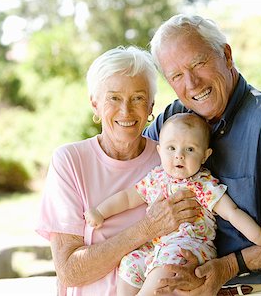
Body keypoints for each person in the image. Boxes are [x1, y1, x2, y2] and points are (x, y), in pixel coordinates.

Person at [142, 14, 261, 295]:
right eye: (176, 75)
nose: (192, 83)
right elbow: (123, 165)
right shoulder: (175, 120)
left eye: (198, 63)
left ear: (226, 54)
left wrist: (231, 266)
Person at [35, 46, 200, 296]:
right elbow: (69, 271)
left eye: (138, 98)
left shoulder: (172, 161)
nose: (126, 111)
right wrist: (148, 228)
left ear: (151, 106)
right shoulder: (70, 161)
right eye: (114, 98)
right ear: (95, 104)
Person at [85, 113, 261, 296]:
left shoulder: (203, 184)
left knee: (165, 270)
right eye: (171, 148)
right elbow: (127, 198)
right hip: (158, 248)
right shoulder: (156, 178)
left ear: (205, 156)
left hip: (189, 247)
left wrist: (257, 235)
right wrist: (100, 212)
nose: (179, 156)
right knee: (130, 262)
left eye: (189, 149)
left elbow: (231, 212)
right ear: (159, 151)